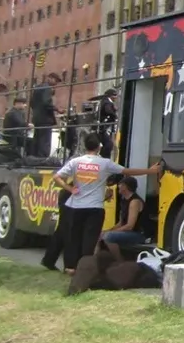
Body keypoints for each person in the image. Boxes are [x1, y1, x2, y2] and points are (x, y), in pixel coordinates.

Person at [51, 133, 162, 275]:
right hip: (94, 208)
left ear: (86, 146)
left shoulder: (76, 162)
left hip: (75, 206)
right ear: (99, 147)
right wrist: (150, 171)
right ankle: (85, 268)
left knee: (74, 237)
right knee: (89, 239)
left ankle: (70, 267)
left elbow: (57, 177)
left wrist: (70, 189)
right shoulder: (104, 163)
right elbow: (127, 171)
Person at [99, 176, 151, 258]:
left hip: (139, 234)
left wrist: (110, 233)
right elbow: (121, 223)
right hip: (128, 232)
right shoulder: (124, 201)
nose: (118, 186)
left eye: (120, 184)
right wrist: (106, 231)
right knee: (100, 234)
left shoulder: (135, 202)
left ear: (126, 187)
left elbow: (130, 226)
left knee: (109, 236)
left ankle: (118, 260)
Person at [28, 73, 60, 158]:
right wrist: (57, 109)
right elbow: (46, 102)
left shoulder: (38, 87)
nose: (56, 83)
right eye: (55, 81)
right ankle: (43, 159)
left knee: (37, 139)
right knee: (45, 140)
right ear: (50, 78)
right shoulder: (47, 88)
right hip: (45, 119)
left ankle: (34, 158)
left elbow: (31, 103)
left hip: (37, 119)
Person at [0, 95, 31, 163]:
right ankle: (29, 160)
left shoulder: (17, 112)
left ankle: (27, 159)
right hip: (12, 137)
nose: (25, 105)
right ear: (17, 103)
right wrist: (29, 125)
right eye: (24, 103)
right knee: (32, 142)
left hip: (16, 136)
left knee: (30, 140)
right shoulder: (13, 113)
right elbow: (21, 123)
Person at [97, 88, 118, 159]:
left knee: (108, 144)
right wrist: (115, 116)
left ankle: (103, 157)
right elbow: (108, 110)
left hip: (104, 127)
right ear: (110, 96)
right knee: (109, 144)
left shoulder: (105, 102)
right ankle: (103, 157)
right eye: (114, 95)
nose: (116, 97)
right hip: (104, 128)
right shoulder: (107, 102)